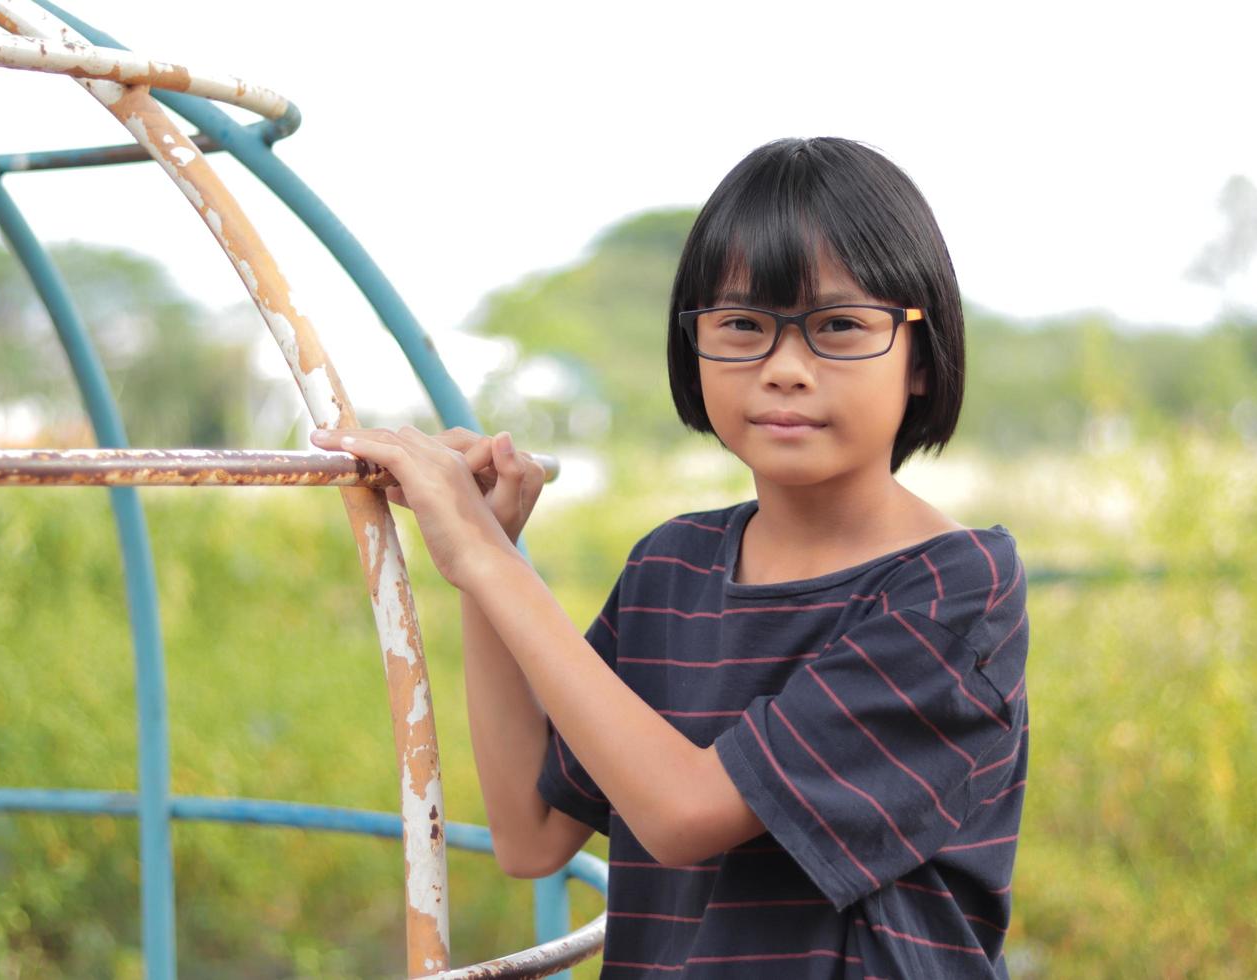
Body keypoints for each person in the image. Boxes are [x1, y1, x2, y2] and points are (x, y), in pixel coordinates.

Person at [313, 136, 1030, 978]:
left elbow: (687, 812)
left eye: (839, 326)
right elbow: (528, 833)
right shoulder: (672, 569)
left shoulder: (955, 592)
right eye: (742, 327)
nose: (786, 369)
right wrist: (491, 556)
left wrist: (483, 559)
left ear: (920, 354)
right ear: (694, 345)